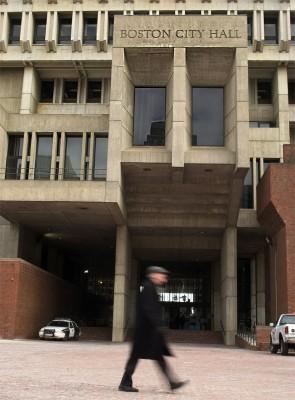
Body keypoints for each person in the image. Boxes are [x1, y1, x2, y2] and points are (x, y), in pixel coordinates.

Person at [118, 266, 188, 392]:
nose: (164, 278)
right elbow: (149, 309)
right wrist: (159, 325)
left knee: (155, 356)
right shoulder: (148, 287)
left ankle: (172, 382)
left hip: (147, 331)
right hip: (146, 332)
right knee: (137, 357)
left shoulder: (149, 287)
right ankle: (125, 383)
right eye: (162, 275)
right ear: (154, 275)